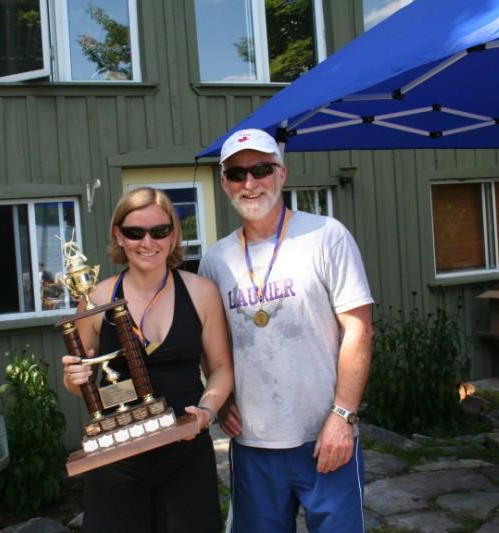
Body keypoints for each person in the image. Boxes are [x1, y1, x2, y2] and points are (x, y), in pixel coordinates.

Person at [198, 129, 375, 532]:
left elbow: (359, 330)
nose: (250, 183)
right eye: (237, 174)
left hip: (325, 436)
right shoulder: (215, 260)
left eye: (261, 169)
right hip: (254, 444)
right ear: (224, 183)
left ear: (281, 173)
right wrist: (222, 402)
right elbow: (212, 348)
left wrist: (343, 416)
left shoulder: (326, 236)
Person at [61, 187, 233, 533]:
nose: (147, 242)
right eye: (135, 232)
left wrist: (207, 410)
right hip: (117, 457)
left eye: (159, 230)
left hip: (185, 451)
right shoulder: (96, 298)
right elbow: (80, 382)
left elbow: (220, 368)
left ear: (173, 235)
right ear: (118, 235)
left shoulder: (200, 292)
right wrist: (73, 378)